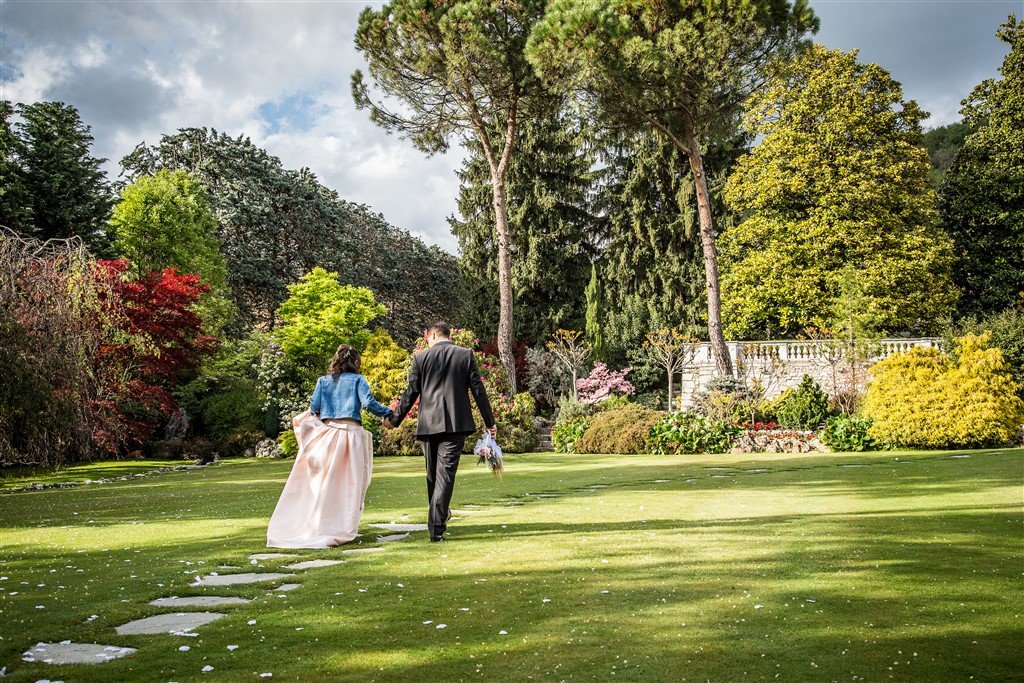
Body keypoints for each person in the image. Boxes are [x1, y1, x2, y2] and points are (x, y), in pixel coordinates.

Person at [266, 344, 394, 548]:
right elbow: (368, 403)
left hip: (327, 436)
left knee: (326, 483)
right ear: (356, 361)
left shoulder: (323, 382)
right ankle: (339, 525)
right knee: (350, 484)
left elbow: (313, 408)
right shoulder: (358, 380)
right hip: (350, 436)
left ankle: (320, 525)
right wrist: (389, 413)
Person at [387, 322, 496, 542]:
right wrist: (489, 421)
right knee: (442, 476)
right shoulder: (465, 355)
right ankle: (438, 519)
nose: (426, 340)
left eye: (427, 337)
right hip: (455, 423)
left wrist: (395, 419)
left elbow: (411, 392)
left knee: (433, 474)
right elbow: (478, 390)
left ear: (433, 335)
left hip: (428, 424)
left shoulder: (421, 358)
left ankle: (436, 524)